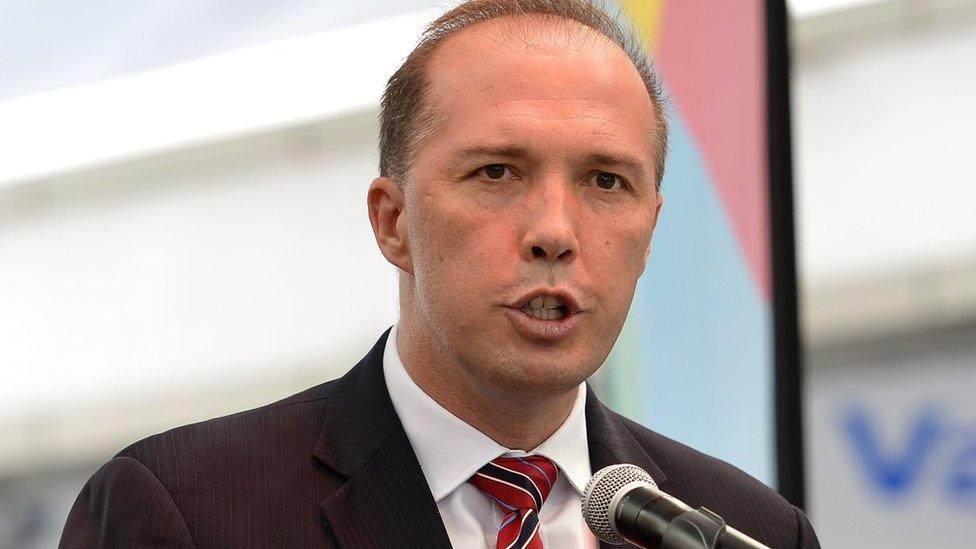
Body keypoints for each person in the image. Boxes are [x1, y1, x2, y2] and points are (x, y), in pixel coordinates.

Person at [60, 1, 820, 547]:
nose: (554, 231)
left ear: (650, 232)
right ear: (393, 222)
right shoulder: (185, 512)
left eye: (605, 182)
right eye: (497, 171)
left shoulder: (742, 528)